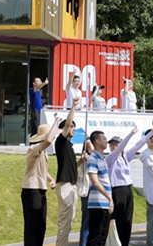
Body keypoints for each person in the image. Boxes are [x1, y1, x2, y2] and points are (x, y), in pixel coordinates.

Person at [107, 126, 153, 246]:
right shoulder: (110, 158)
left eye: (116, 144)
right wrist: (130, 134)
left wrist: (152, 133)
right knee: (118, 219)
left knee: (127, 219)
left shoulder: (125, 156)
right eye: (112, 144)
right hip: (117, 190)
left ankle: (125, 242)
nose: (114, 146)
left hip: (128, 189)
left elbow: (140, 144)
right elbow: (121, 148)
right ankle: (116, 243)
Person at [22, 117, 61, 246]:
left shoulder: (43, 152)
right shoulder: (33, 148)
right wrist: (56, 122)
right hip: (31, 190)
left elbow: (42, 170)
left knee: (40, 226)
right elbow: (49, 140)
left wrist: (50, 180)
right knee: (32, 227)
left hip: (40, 190)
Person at [55, 104, 80, 246]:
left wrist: (81, 161)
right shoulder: (61, 142)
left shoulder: (69, 147)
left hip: (72, 184)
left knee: (69, 222)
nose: (73, 128)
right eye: (71, 127)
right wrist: (74, 106)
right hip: (65, 184)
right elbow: (68, 123)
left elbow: (71, 168)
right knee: (65, 222)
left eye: (74, 127)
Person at [87, 130, 114, 246]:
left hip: (105, 203)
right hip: (97, 203)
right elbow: (95, 182)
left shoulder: (102, 158)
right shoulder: (93, 158)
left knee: (103, 236)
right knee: (95, 237)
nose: (106, 141)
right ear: (97, 141)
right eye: (104, 139)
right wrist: (109, 197)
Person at [78, 139, 93, 246]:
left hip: (97, 193)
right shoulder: (85, 159)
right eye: (88, 144)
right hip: (88, 192)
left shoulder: (97, 157)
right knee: (86, 222)